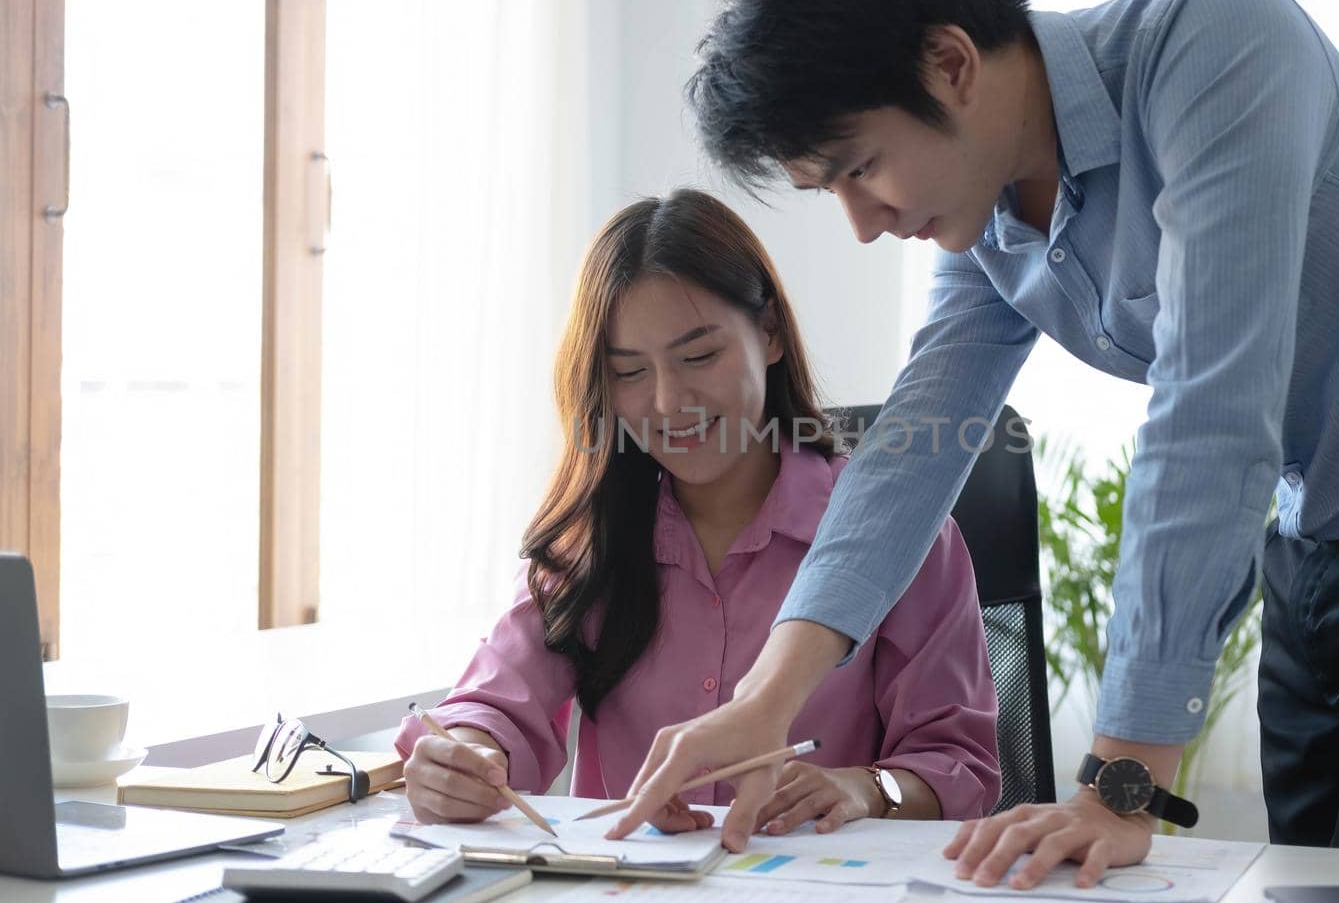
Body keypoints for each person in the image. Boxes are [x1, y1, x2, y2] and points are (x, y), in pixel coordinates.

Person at [610, 0, 1339, 891]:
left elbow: (1210, 408)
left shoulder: (1215, 41)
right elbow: (912, 452)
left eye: (859, 168)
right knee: (1315, 891)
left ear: (949, 64)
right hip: (1321, 543)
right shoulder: (992, 222)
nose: (862, 223)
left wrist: (1122, 779)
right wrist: (764, 701)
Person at [394, 189, 1001, 835]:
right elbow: (495, 706)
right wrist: (466, 755)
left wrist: (865, 788)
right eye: (629, 372)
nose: (667, 401)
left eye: (699, 356)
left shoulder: (899, 534)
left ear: (768, 332)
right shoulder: (588, 542)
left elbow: (958, 764)